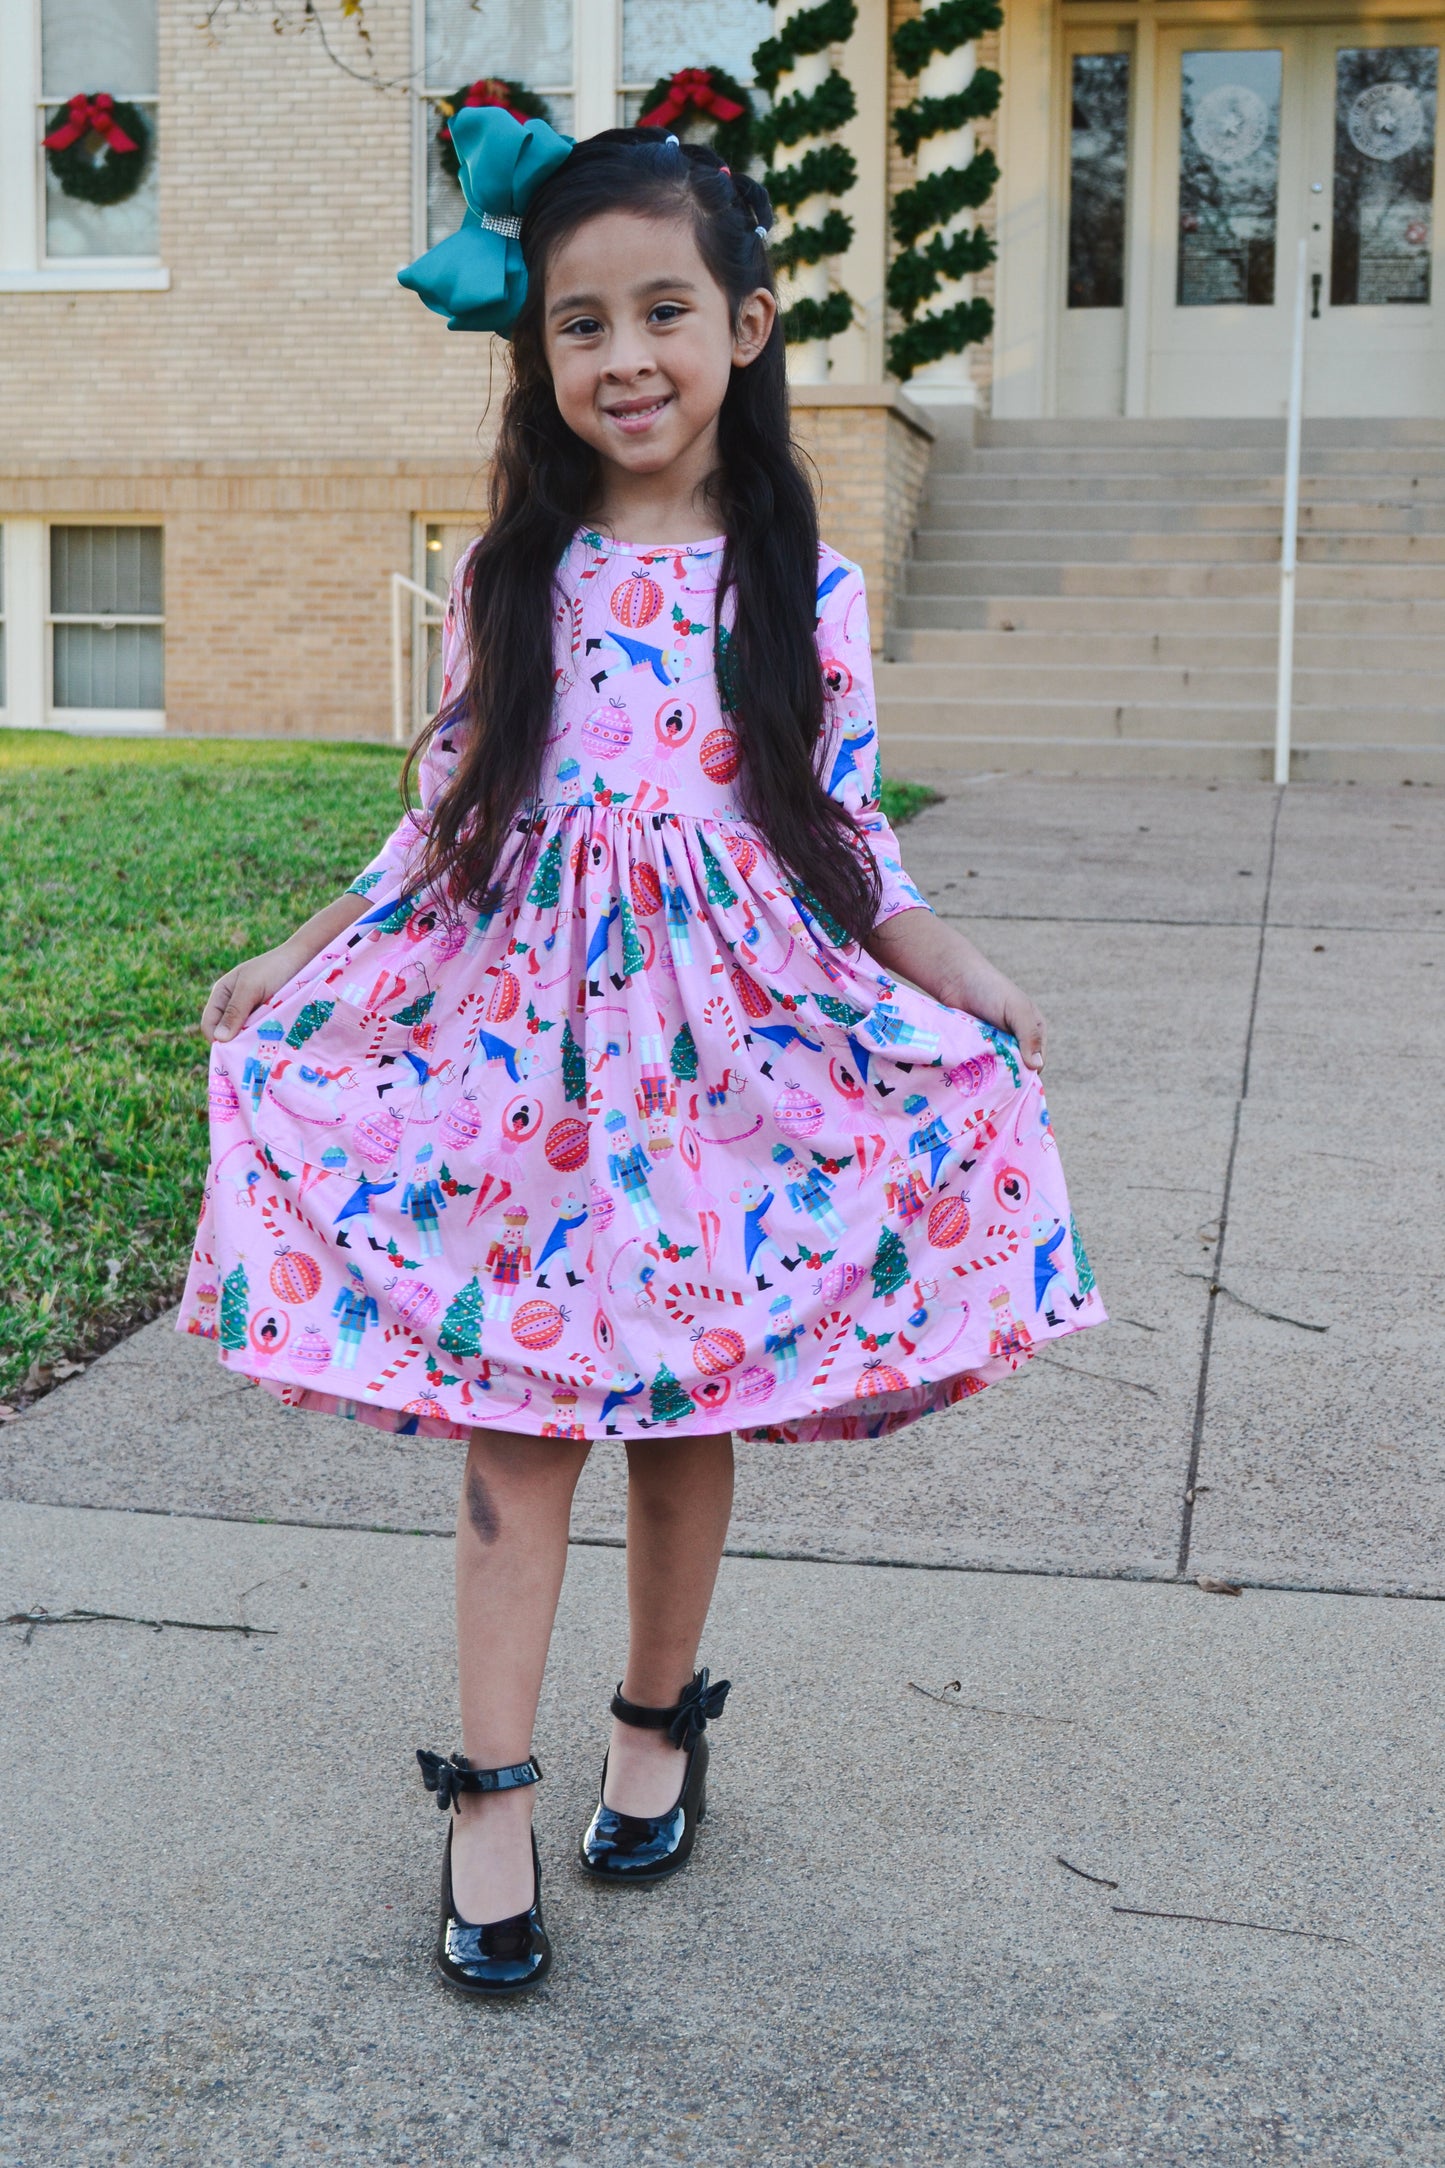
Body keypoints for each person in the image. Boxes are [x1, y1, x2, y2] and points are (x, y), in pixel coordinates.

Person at [179, 111, 1106, 2001]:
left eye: (663, 311)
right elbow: (442, 814)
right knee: (519, 1415)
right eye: (579, 322)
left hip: (730, 1050)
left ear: (746, 327)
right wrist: (297, 955)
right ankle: (488, 1797)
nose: (624, 355)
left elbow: (843, 840)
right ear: (541, 354)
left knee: (684, 1407)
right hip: (518, 1050)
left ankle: (657, 1725)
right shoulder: (510, 576)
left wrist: (955, 969)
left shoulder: (801, 588)